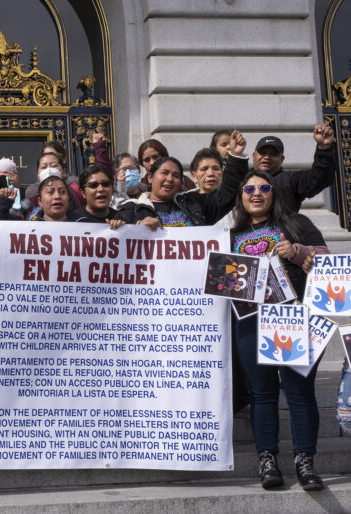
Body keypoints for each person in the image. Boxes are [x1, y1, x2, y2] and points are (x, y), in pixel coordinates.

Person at [229, 170, 330, 491]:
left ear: (273, 193)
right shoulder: (229, 235)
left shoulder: (296, 223)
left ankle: (305, 462)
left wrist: (298, 253)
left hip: (291, 318)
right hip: (249, 322)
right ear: (241, 196)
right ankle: (268, 460)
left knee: (299, 393)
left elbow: (328, 260)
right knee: (262, 394)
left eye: (263, 187)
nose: (256, 193)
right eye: (249, 188)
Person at [115, 130, 248, 228]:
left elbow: (227, 196)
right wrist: (137, 227)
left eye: (176, 175)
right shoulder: (131, 209)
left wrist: (235, 156)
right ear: (150, 177)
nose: (170, 179)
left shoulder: (194, 203)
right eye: (164, 173)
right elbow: (116, 238)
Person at [251, 125, 337, 214]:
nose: (267, 157)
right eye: (263, 153)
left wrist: (324, 149)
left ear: (282, 159)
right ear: (254, 156)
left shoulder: (292, 180)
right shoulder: (243, 180)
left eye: (273, 154)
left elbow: (320, 177)